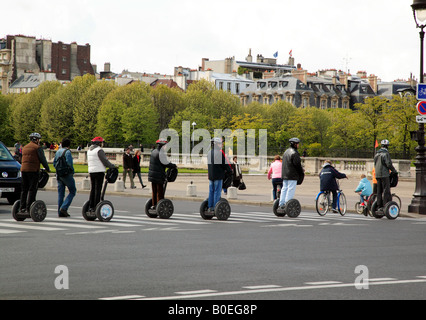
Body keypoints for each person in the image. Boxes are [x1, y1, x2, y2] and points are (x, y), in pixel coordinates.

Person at [19, 133, 50, 213]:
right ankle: (29, 207)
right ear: (36, 140)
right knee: (32, 189)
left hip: (23, 170)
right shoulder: (37, 148)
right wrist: (47, 168)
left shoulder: (25, 147)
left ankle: (22, 207)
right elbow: (42, 159)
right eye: (38, 139)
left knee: (24, 189)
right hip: (33, 170)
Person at [87, 137, 115, 213]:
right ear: (99, 143)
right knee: (98, 189)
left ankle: (91, 205)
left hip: (91, 171)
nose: (102, 144)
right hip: (99, 171)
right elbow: (105, 161)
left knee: (93, 189)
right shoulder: (99, 150)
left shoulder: (89, 150)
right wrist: (112, 166)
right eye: (101, 142)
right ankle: (96, 206)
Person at [148, 139, 177, 209]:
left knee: (154, 191)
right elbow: (165, 163)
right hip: (159, 175)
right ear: (162, 146)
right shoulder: (161, 153)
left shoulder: (154, 151)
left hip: (152, 175)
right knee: (160, 192)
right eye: (165, 145)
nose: (166, 147)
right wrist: (173, 165)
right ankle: (159, 206)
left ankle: (153, 205)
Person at [207, 138, 233, 212]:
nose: (221, 145)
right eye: (220, 143)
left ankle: (210, 207)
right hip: (218, 176)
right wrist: (230, 170)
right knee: (217, 192)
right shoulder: (219, 153)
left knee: (211, 191)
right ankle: (216, 207)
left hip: (211, 176)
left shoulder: (209, 153)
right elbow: (225, 164)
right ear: (215, 144)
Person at [279, 138, 304, 210]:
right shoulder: (294, 153)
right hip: (292, 175)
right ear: (295, 144)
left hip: (285, 174)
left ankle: (281, 203)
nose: (298, 145)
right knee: (291, 189)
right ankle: (287, 204)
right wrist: (301, 171)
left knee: (284, 189)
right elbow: (297, 165)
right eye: (298, 144)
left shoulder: (286, 152)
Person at [53, 138, 76, 217]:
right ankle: (64, 207)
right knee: (72, 191)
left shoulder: (58, 152)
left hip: (59, 174)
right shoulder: (67, 152)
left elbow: (54, 163)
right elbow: (69, 163)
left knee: (61, 194)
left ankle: (60, 212)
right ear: (68, 145)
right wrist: (72, 171)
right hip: (66, 174)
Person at [374, 139, 397, 213]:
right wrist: (394, 171)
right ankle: (385, 205)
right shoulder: (386, 154)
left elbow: (375, 164)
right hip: (384, 175)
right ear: (387, 146)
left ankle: (379, 205)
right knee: (386, 190)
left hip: (377, 175)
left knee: (379, 191)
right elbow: (388, 164)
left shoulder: (376, 154)